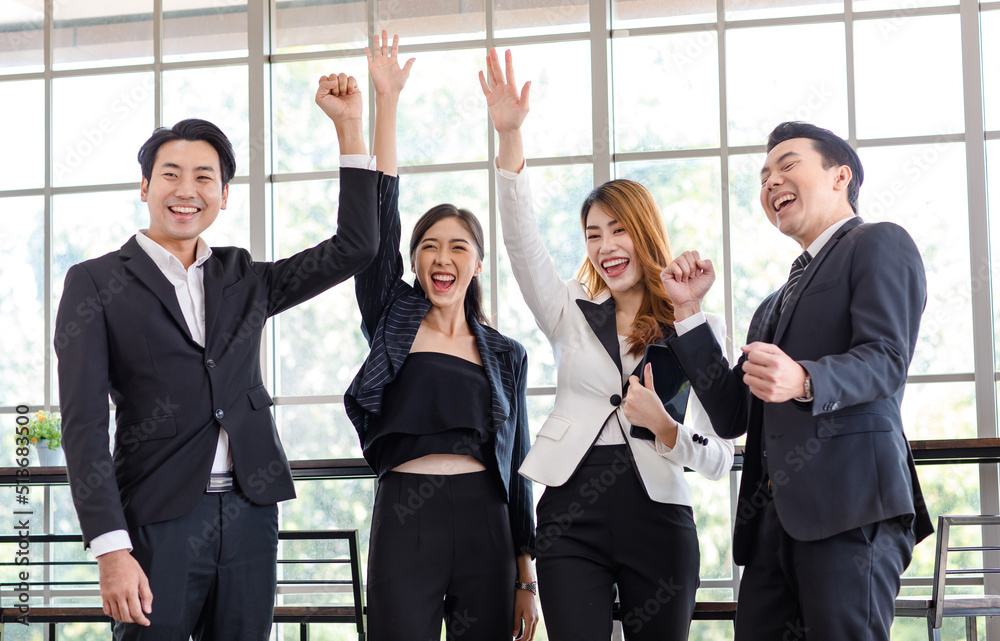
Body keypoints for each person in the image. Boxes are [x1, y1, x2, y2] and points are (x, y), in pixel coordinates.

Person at [54, 75, 379, 639]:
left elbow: (356, 247)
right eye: (171, 175)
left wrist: (349, 129)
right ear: (145, 186)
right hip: (158, 518)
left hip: (252, 513)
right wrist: (110, 548)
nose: (187, 190)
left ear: (224, 194)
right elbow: (83, 426)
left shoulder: (244, 277)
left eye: (205, 177)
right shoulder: (95, 283)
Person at [481, 48, 734, 640]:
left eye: (618, 229)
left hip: (659, 514)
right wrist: (510, 137)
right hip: (571, 513)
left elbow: (722, 457)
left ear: (643, 231)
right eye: (593, 234)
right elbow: (522, 244)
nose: (604, 245)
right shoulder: (569, 310)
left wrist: (668, 430)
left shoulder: (695, 324)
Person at [661, 121, 934, 640]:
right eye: (764, 175)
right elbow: (733, 414)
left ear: (840, 177)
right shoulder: (773, 303)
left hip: (851, 512)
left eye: (788, 166)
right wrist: (689, 313)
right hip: (770, 529)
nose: (771, 182)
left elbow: (886, 359)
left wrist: (804, 378)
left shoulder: (879, 242)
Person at [343, 32, 538, 641]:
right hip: (407, 514)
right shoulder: (393, 318)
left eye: (458, 246)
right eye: (428, 246)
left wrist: (525, 577)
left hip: (487, 522)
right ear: (415, 261)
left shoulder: (505, 354)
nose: (442, 257)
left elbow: (520, 468)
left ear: (477, 263)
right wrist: (387, 103)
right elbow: (377, 221)